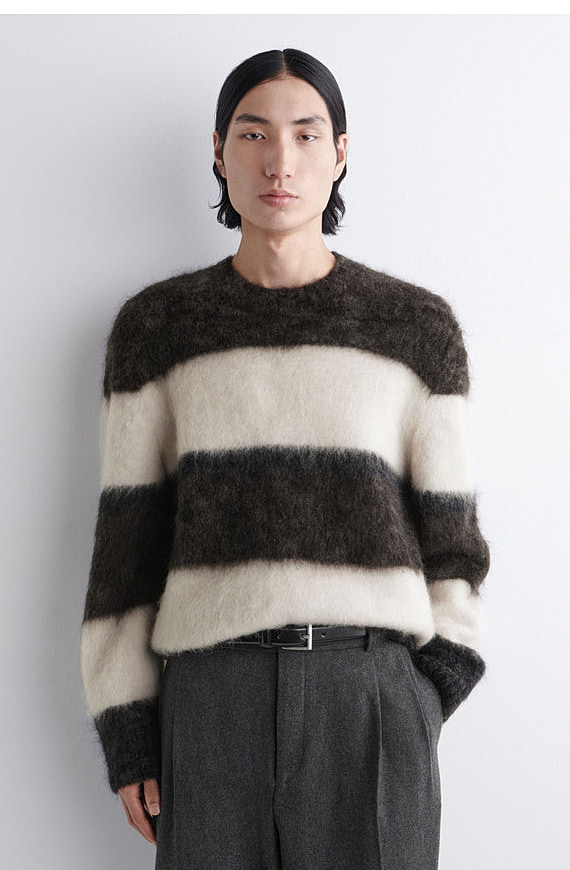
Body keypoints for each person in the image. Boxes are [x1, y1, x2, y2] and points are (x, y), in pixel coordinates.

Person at [80, 48, 490, 870]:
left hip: (368, 695)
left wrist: (423, 693)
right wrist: (129, 732)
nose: (280, 162)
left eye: (306, 134)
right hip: (211, 700)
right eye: (253, 133)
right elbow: (127, 548)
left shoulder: (413, 329)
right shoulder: (158, 329)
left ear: (340, 153)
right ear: (218, 151)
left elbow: (454, 542)